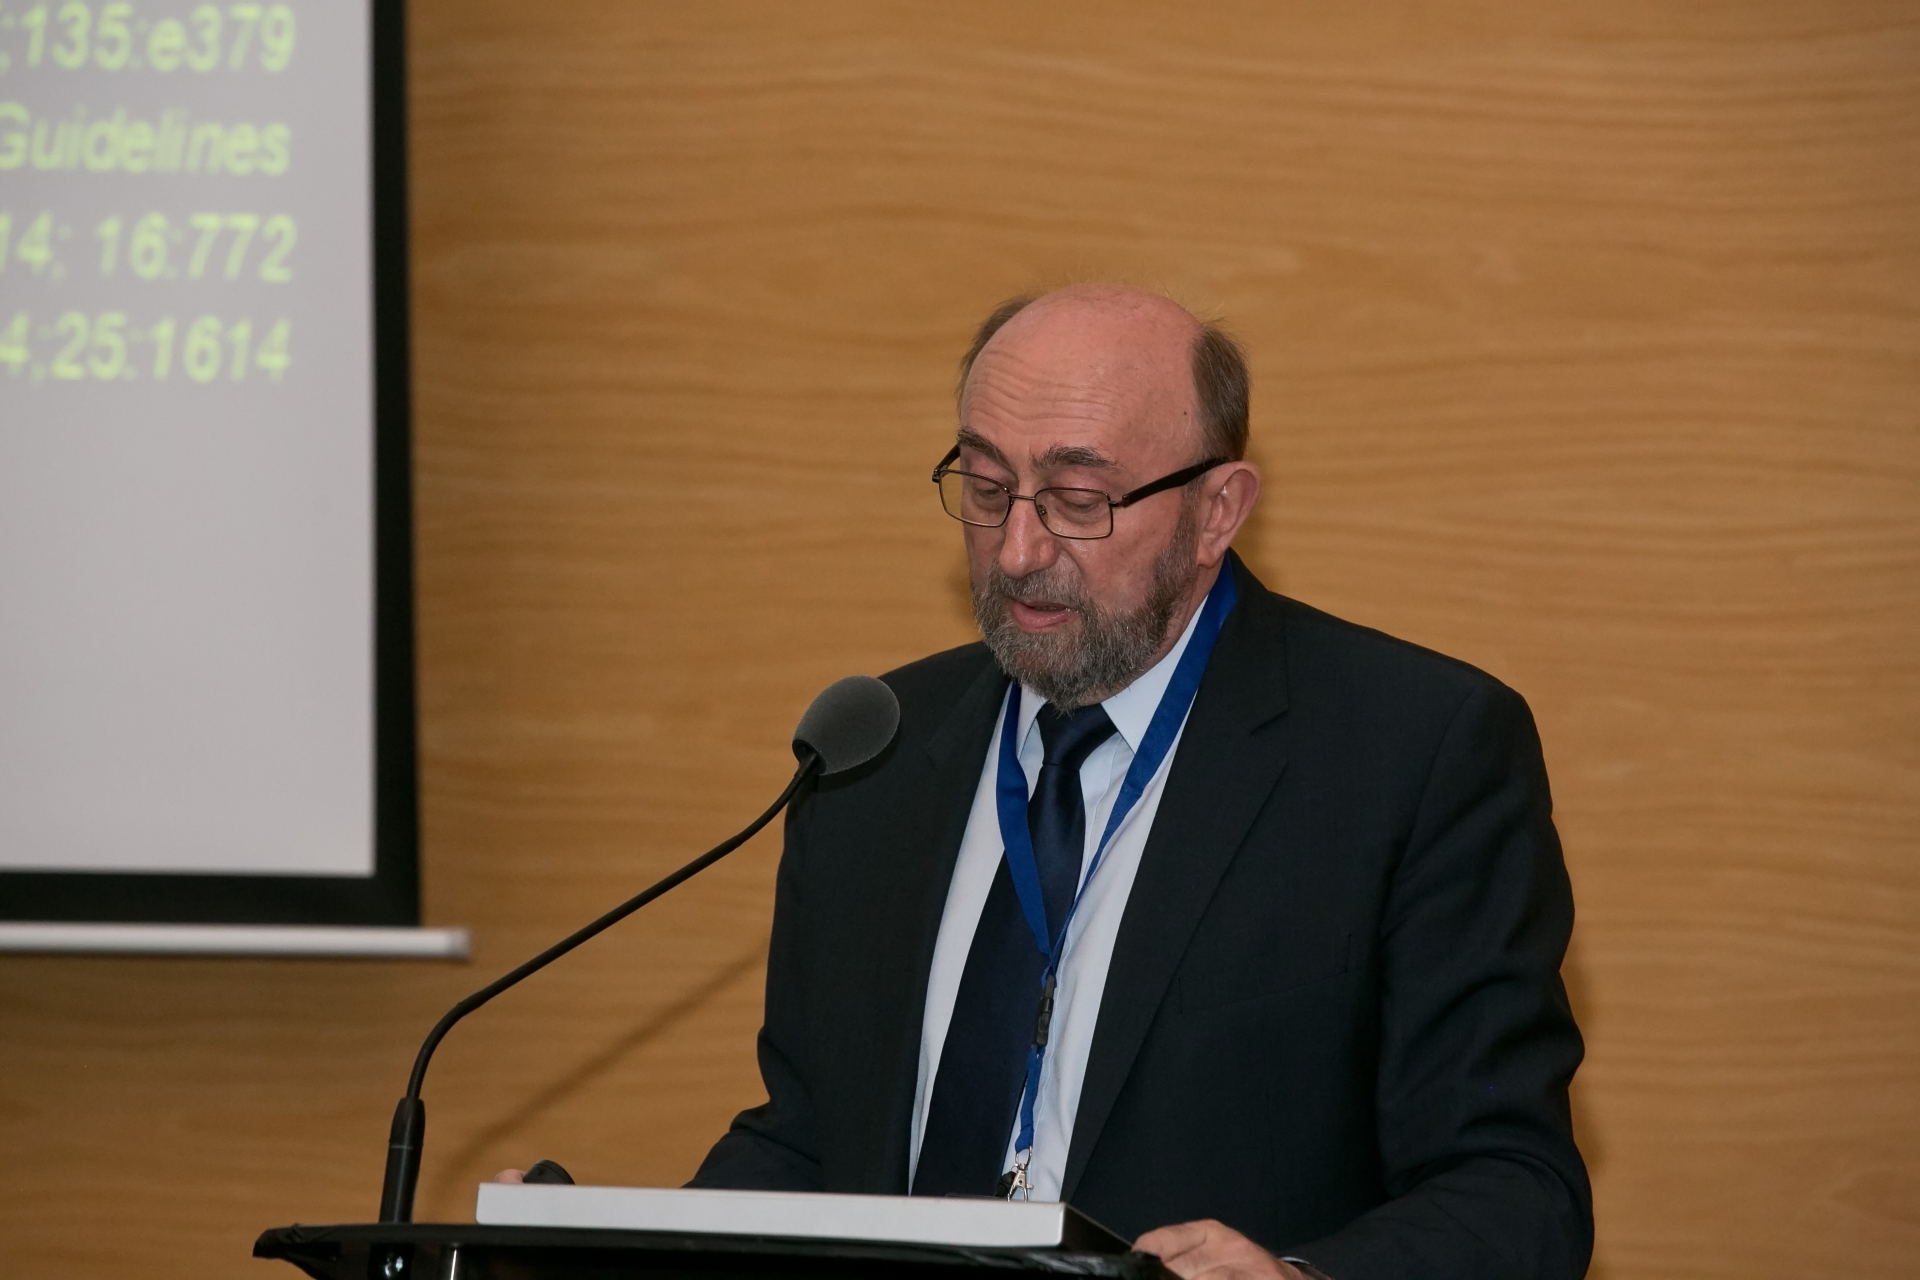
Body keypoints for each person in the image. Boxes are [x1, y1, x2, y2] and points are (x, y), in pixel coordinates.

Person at [688, 285, 1592, 1280]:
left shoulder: (1414, 756)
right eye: (986, 487)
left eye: (1079, 501)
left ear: (1217, 511)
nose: (1018, 550)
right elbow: (806, 1142)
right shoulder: (874, 752)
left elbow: (1513, 1187)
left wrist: (1299, 1278)